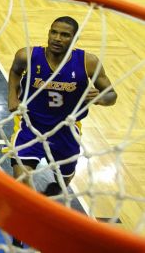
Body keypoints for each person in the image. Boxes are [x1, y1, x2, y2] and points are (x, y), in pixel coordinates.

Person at [7, 16, 117, 194]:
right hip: (31, 124)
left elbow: (112, 95)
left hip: (66, 129)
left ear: (74, 39)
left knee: (62, 183)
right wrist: (12, 96)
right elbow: (15, 71)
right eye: (54, 32)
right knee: (21, 180)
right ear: (49, 33)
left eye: (65, 35)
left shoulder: (88, 62)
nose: (57, 38)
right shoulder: (26, 55)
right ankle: (34, 213)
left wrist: (99, 98)